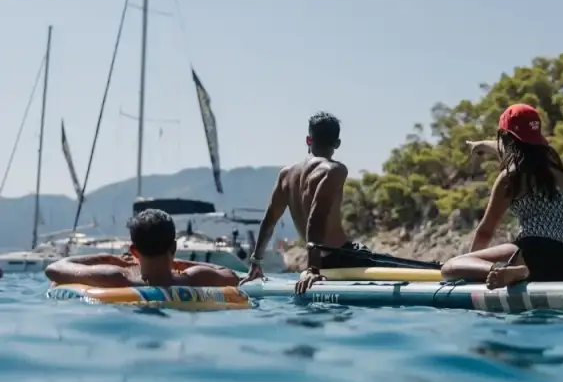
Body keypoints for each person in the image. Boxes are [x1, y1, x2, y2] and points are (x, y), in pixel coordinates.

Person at [441, 103, 563, 288]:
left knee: (450, 266)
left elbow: (486, 231)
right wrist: (482, 145)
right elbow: (513, 149)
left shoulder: (511, 177)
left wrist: (471, 266)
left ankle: (510, 271)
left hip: (535, 258)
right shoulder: (554, 163)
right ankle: (516, 271)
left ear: (506, 137)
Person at [241, 111, 376, 294]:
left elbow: (269, 220)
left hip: (320, 260)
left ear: (308, 140)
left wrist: (256, 263)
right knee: (413, 272)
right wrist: (313, 269)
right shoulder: (334, 170)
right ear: (337, 143)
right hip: (343, 257)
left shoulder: (286, 174)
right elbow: (317, 216)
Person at [44, 209, 240, 288]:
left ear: (134, 251)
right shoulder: (196, 277)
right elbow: (231, 275)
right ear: (173, 247)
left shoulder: (115, 277)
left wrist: (106, 258)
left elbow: (55, 268)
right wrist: (181, 263)